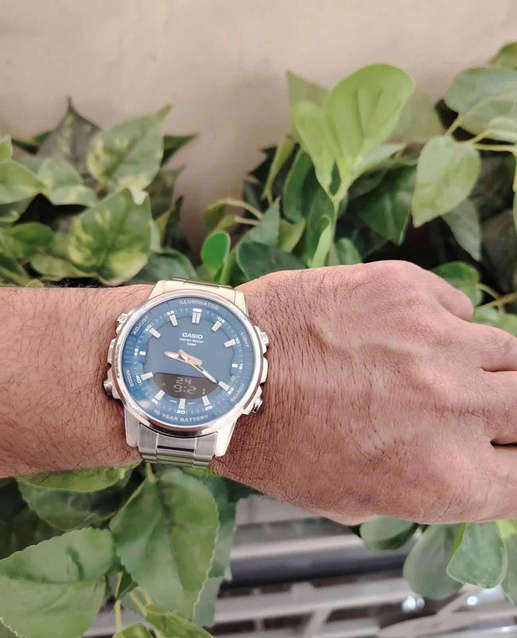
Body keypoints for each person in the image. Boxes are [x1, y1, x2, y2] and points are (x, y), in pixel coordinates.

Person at [1, 261, 516, 525]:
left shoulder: (199, 362)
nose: (190, 362)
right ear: (115, 363)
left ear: (251, 390)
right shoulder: (126, 361)